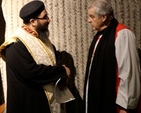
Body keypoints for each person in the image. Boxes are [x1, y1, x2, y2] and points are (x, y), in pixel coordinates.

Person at [0, 1, 70, 113]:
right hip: (29, 104)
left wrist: (62, 70)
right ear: (33, 22)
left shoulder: (41, 37)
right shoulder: (15, 44)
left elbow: (55, 56)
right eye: (45, 17)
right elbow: (31, 72)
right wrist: (61, 71)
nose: (49, 20)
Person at [83, 0, 141, 113]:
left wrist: (125, 107)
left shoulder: (122, 34)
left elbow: (128, 73)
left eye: (92, 17)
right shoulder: (100, 37)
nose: (89, 20)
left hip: (117, 106)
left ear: (104, 17)